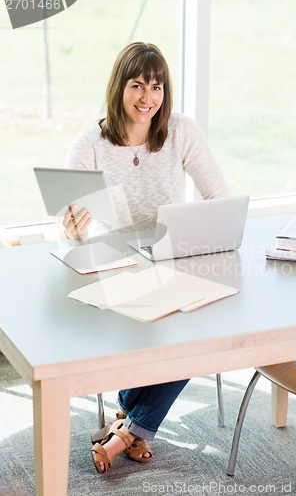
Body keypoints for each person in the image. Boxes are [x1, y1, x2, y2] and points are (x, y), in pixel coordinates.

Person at [62, 42, 231, 474]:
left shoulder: (180, 131)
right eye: (137, 85)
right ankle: (135, 429)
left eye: (157, 87)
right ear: (119, 87)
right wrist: (73, 228)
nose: (147, 98)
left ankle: (128, 428)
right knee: (164, 335)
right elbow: (72, 233)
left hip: (175, 265)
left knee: (196, 338)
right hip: (119, 271)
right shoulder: (90, 144)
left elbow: (220, 198)